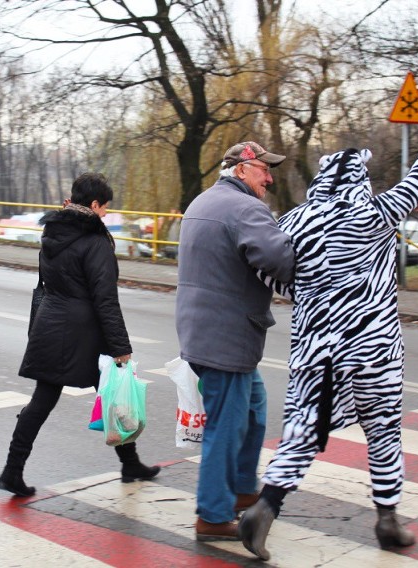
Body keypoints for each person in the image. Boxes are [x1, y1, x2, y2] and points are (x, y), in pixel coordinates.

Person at [238, 95, 418, 561]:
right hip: (374, 351)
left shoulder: (294, 222)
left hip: (316, 354)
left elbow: (269, 270)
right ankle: (387, 521)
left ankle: (265, 509)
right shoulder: (376, 213)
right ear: (360, 180)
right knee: (384, 431)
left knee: (301, 432)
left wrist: (308, 293)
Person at [0, 172, 160, 496]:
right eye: (104, 208)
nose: (105, 215)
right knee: (110, 396)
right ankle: (12, 471)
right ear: (95, 204)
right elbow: (105, 298)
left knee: (58, 399)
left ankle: (129, 463)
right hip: (83, 333)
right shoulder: (94, 241)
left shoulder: (54, 231)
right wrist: (120, 347)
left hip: (52, 324)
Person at [175, 141, 295, 541]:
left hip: (204, 331)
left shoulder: (203, 202)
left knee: (253, 408)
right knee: (225, 427)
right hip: (227, 337)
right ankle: (211, 515)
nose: (270, 177)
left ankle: (243, 488)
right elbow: (281, 260)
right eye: (264, 169)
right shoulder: (245, 208)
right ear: (242, 169)